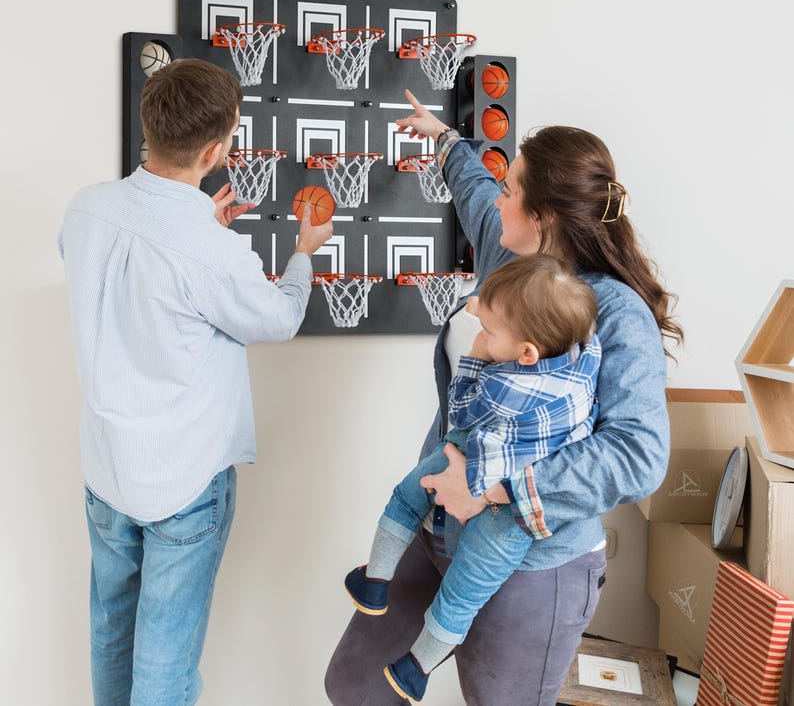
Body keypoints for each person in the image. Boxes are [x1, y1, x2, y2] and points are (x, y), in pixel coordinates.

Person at [325, 89, 682, 706]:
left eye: (511, 188)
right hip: (438, 529)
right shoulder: (507, 255)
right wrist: (442, 138)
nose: (499, 197)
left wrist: (495, 487)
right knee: (356, 687)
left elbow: (638, 455)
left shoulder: (616, 313)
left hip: (531, 562)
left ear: (543, 215)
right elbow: (472, 191)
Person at [59, 58, 332, 705]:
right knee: (165, 665)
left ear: (149, 127)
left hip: (107, 470)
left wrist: (196, 228)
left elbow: (123, 273)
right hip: (181, 482)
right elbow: (280, 316)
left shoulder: (86, 209)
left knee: (111, 636)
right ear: (216, 149)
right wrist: (303, 250)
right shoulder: (208, 251)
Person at [345, 253, 602, 702]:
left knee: (407, 500)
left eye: (490, 330)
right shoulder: (582, 354)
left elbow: (460, 410)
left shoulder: (508, 386)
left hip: (497, 495)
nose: (481, 331)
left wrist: (477, 357)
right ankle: (415, 669)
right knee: (462, 596)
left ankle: (377, 580)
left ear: (526, 353)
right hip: (504, 512)